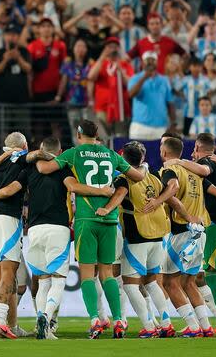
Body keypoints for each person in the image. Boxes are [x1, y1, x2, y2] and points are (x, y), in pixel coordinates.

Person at [36, 120, 144, 339]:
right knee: (107, 273)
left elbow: (45, 168)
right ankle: (119, 321)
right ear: (97, 134)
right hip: (111, 220)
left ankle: (95, 320)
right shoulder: (111, 154)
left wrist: (37, 154)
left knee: (87, 274)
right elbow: (138, 176)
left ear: (78, 134)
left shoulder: (74, 153)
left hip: (87, 219)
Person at [165, 133, 216, 337]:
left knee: (212, 277)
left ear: (199, 147)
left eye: (194, 150)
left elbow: (203, 170)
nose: (192, 154)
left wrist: (178, 161)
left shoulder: (206, 163)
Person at [0, 132, 51, 338]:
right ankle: (0, 321)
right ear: (24, 145)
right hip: (8, 219)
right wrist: (52, 156)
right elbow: (14, 188)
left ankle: (2, 321)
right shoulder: (21, 159)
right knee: (10, 272)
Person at [113, 141, 175, 338]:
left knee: (130, 284)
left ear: (123, 158)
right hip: (158, 234)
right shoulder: (154, 174)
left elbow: (115, 197)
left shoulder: (123, 179)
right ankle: (166, 324)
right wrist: (158, 201)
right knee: (151, 281)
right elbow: (173, 187)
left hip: (137, 235)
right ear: (143, 158)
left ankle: (149, 328)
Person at [19, 137, 77, 340]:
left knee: (42, 281)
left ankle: (40, 323)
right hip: (57, 227)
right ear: (60, 152)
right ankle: (46, 317)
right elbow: (72, 188)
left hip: (34, 229)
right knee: (58, 280)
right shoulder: (63, 169)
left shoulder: (30, 169)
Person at [127, 52, 175, 140]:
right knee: (136, 153)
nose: (150, 62)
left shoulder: (164, 80)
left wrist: (173, 123)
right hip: (140, 126)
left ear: (157, 62)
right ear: (142, 63)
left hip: (161, 127)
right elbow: (131, 94)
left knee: (160, 153)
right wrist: (145, 77)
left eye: (153, 60)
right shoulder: (135, 78)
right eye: (147, 60)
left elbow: (170, 103)